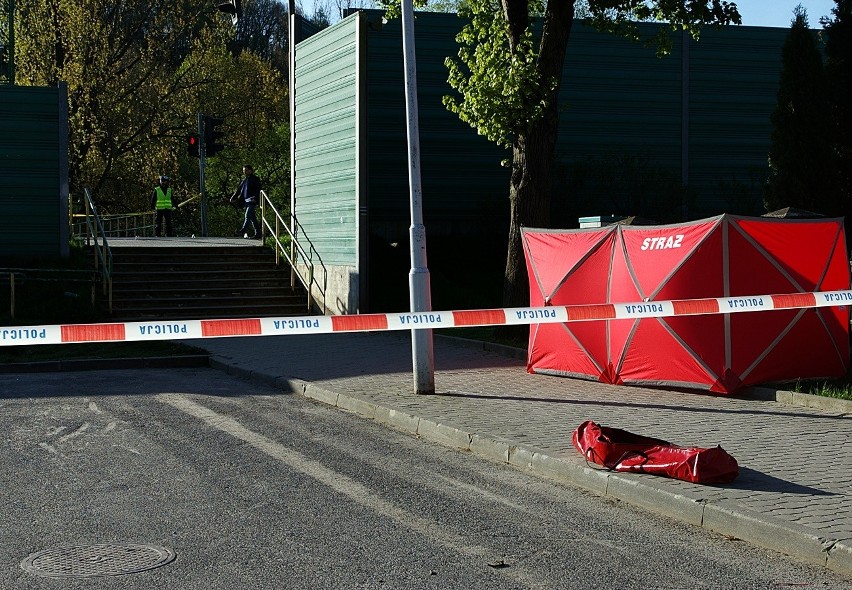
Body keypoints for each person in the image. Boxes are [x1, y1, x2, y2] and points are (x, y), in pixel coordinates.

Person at [232, 164, 261, 239]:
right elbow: (238, 190)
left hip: (252, 201)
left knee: (247, 216)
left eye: (246, 170)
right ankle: (258, 233)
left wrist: (256, 198)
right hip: (246, 202)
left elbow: (259, 189)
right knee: (252, 218)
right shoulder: (244, 181)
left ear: (251, 170)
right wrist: (233, 198)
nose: (245, 172)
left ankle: (243, 230)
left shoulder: (255, 179)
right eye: (244, 171)